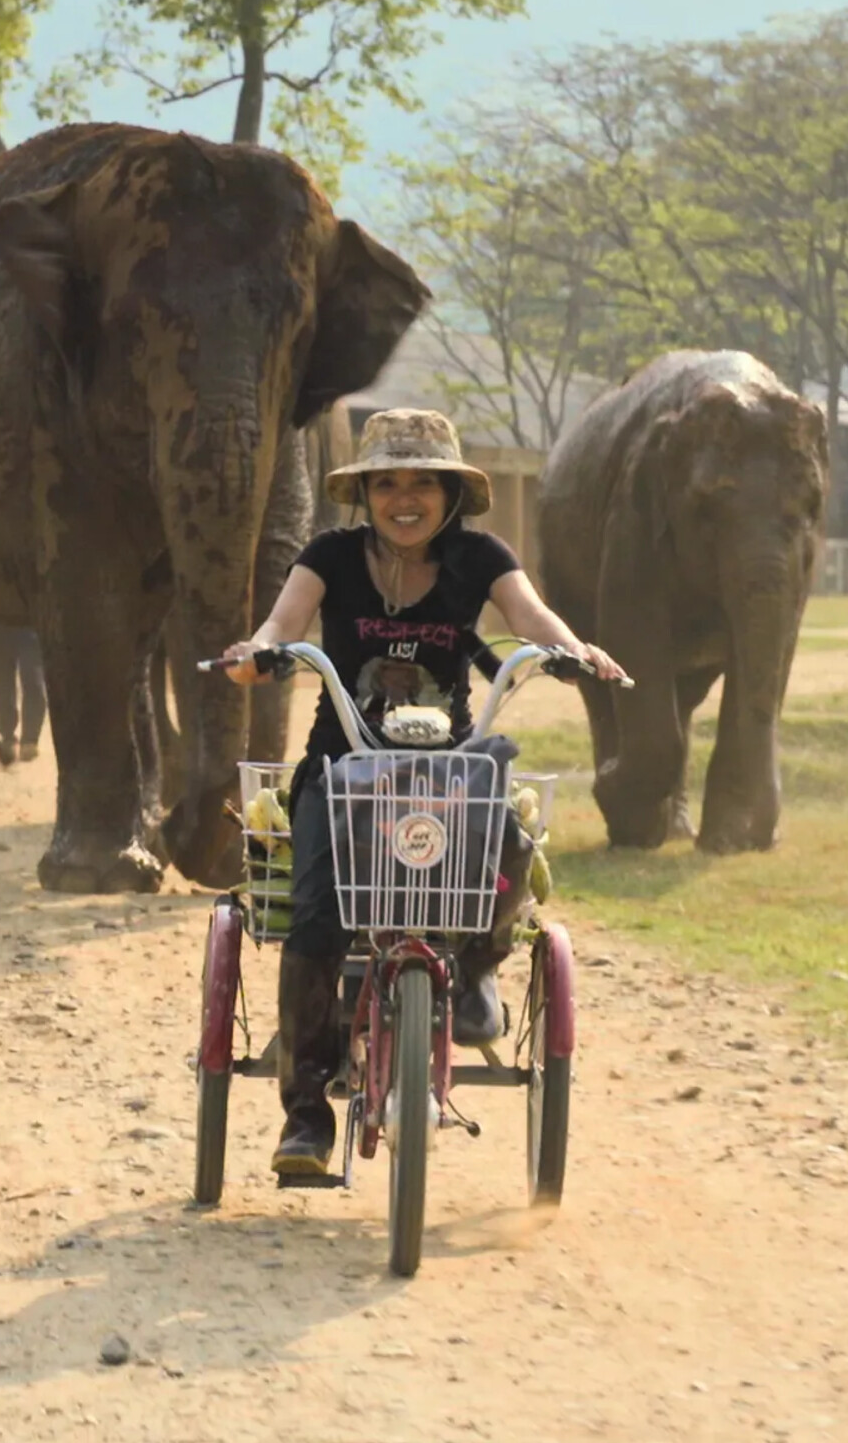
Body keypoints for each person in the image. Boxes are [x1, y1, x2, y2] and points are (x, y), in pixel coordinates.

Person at [216, 409, 623, 1176]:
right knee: (314, 913)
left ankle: (473, 971)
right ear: (363, 493)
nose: (405, 497)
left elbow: (534, 618)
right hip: (342, 772)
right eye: (387, 483)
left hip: (450, 772)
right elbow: (282, 622)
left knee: (506, 848)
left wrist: (574, 653)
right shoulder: (328, 556)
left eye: (423, 482)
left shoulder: (481, 557)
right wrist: (261, 652)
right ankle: (306, 1118)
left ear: (451, 493)